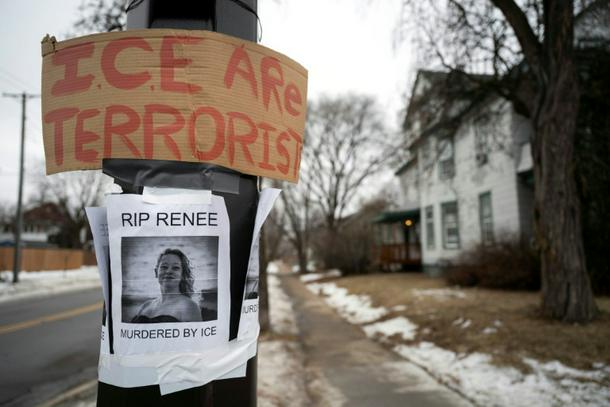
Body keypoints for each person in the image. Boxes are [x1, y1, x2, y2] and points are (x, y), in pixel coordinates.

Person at [131, 249, 202, 323]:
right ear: (156, 272)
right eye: (164, 267)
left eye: (175, 268)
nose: (169, 271)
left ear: (182, 275)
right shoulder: (145, 306)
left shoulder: (189, 306)